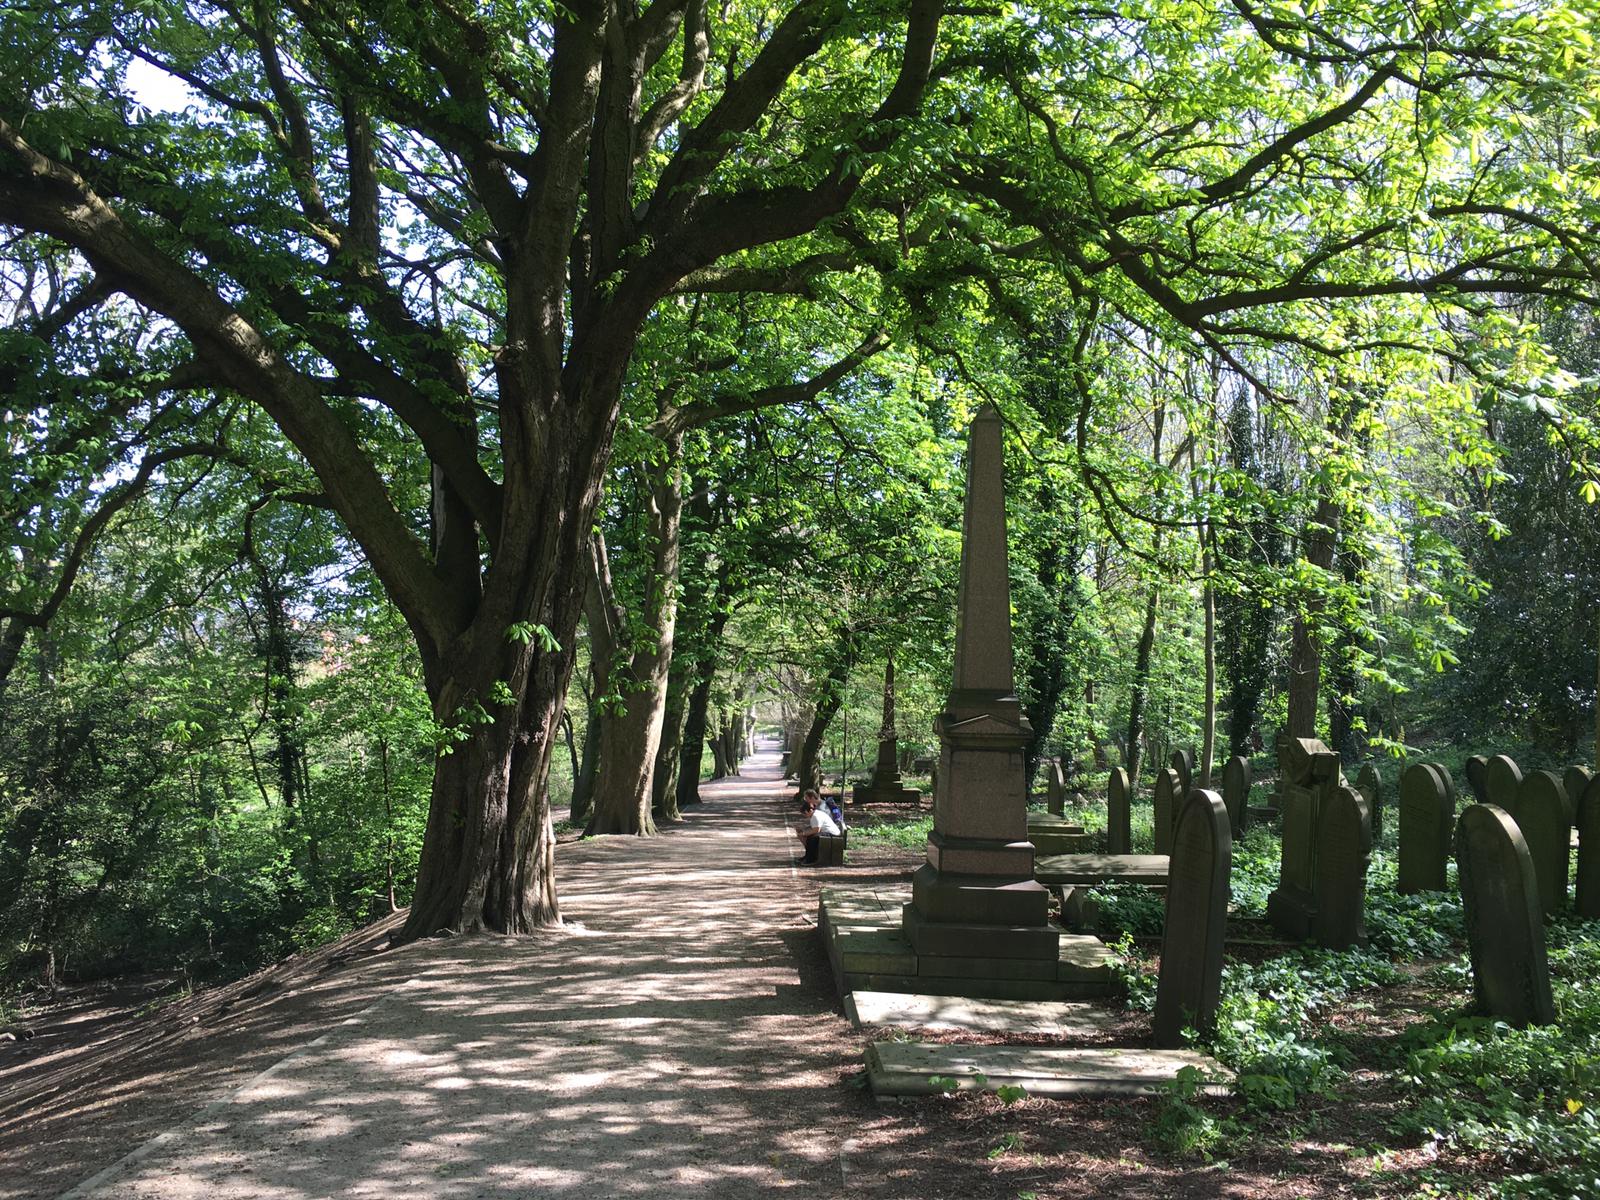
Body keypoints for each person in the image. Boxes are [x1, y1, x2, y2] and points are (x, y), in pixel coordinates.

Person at [795, 789, 841, 864]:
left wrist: (804, 833)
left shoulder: (816, 815)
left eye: (805, 814)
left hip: (832, 833)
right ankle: (808, 856)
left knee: (812, 838)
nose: (806, 816)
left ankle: (811, 859)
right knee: (810, 836)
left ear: (809, 811)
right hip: (827, 831)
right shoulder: (815, 814)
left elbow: (816, 830)